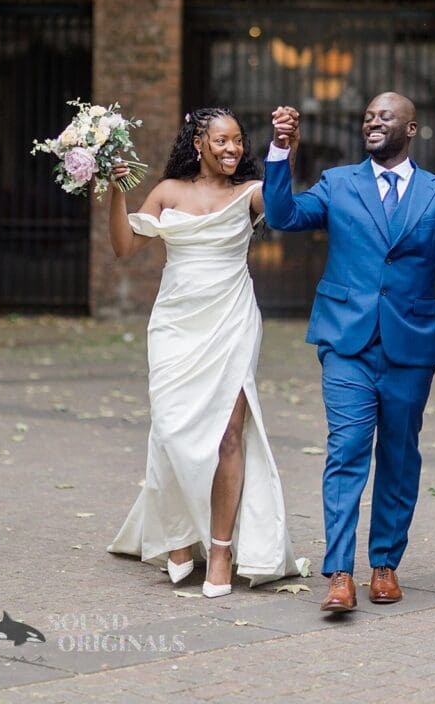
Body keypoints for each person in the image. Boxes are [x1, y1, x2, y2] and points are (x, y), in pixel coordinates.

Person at [263, 92, 435, 613]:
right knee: (346, 450)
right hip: (347, 341)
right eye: (368, 116)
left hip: (410, 346)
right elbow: (283, 215)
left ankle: (384, 564)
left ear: (410, 129)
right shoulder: (339, 183)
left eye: (385, 116)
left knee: (399, 456)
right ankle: (340, 574)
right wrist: (281, 152)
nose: (373, 122)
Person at [106, 106, 305, 598]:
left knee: (229, 434)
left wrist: (285, 149)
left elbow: (281, 208)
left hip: (231, 319)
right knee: (170, 429)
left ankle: (220, 550)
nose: (232, 148)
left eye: (238, 140)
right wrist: (116, 189)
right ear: (199, 144)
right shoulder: (168, 192)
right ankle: (177, 534)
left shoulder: (250, 192)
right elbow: (125, 247)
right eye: (221, 140)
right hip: (175, 324)